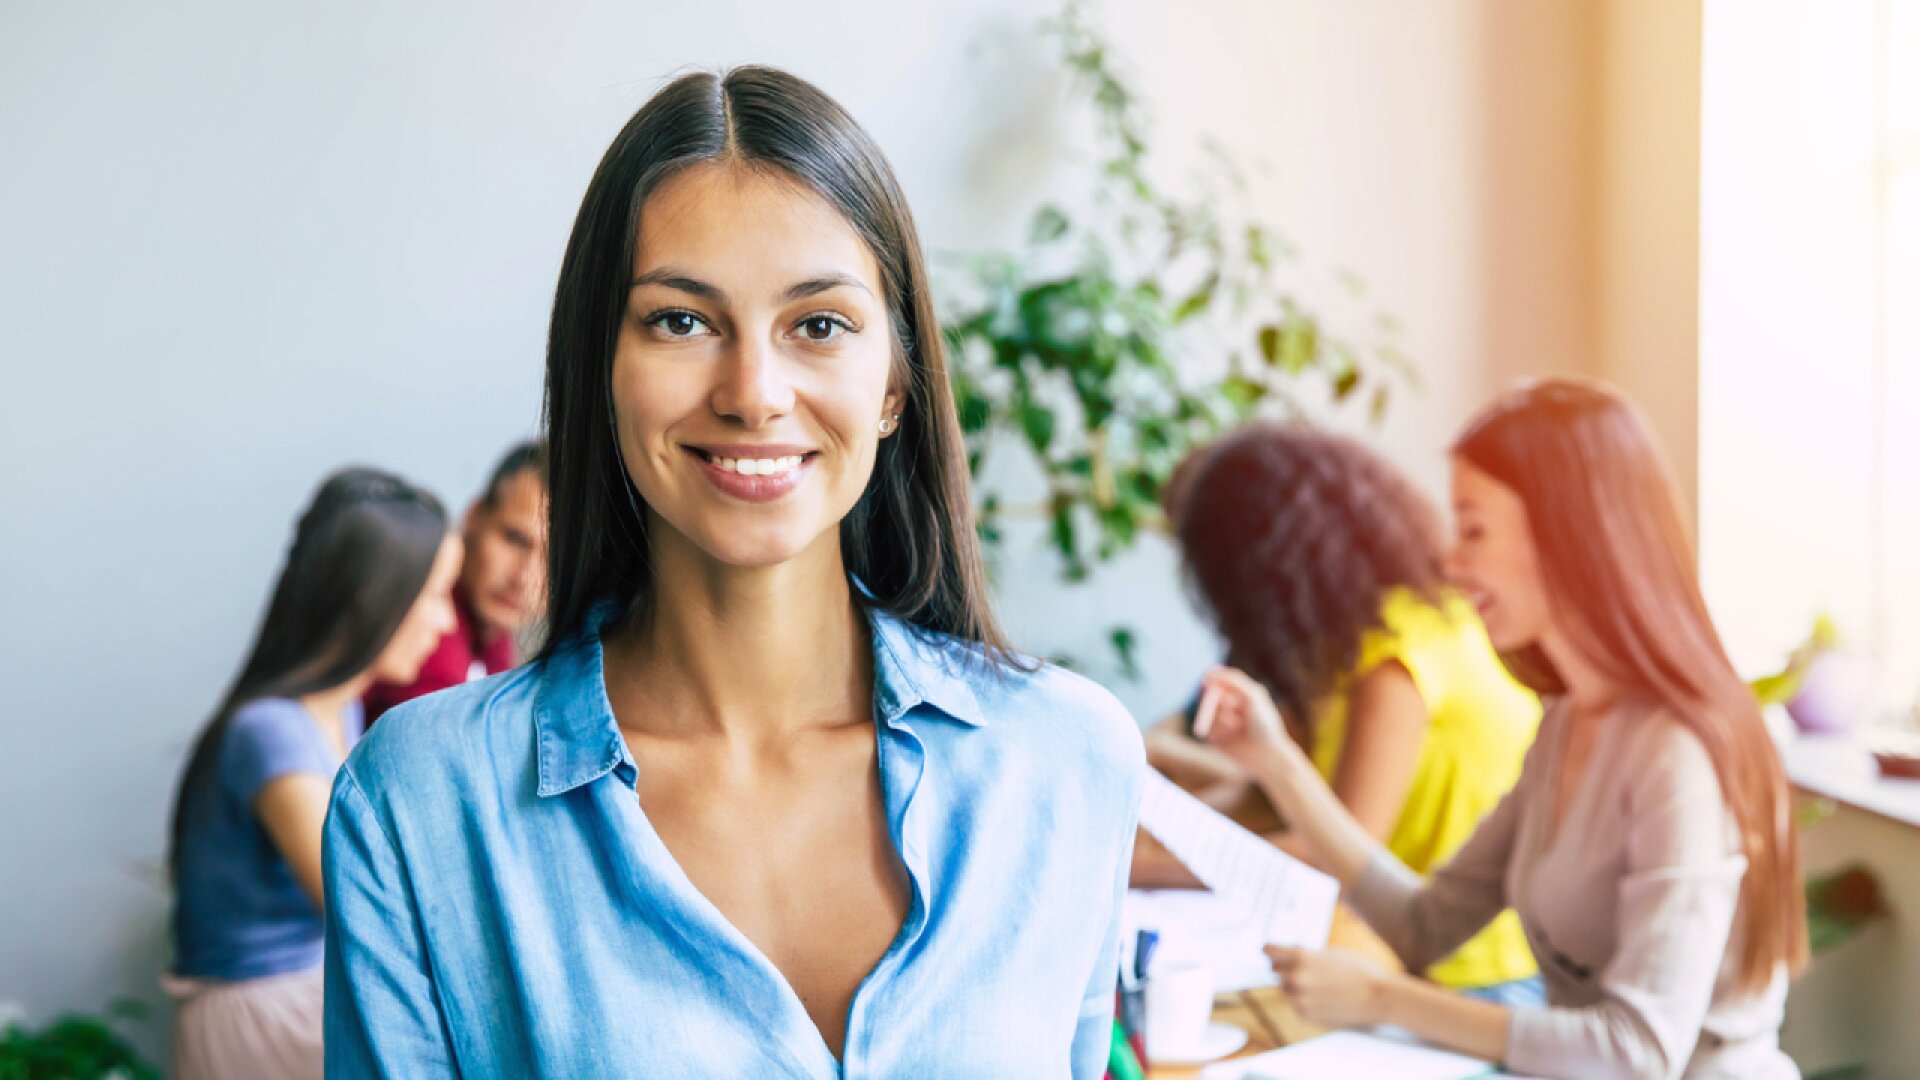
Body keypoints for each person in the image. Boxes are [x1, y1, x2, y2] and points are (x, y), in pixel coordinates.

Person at [322, 67, 1144, 1079]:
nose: (754, 393)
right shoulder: (420, 801)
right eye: (681, 320)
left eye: (820, 324)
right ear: (600, 370)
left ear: (893, 384)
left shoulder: (1068, 761)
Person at [1195, 380, 1807, 1078]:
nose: (1452, 563)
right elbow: (1425, 926)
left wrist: (1383, 998)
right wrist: (1278, 766)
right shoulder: (1567, 722)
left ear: (1569, 536)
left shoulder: (1679, 753)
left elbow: (1637, 1053)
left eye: (1475, 529)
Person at [1137, 424, 1543, 1003]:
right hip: (1390, 952)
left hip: (1471, 981)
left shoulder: (1399, 661)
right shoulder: (1351, 651)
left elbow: (1327, 854)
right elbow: (1279, 799)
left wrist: (1135, 869)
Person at [164, 468, 460, 1080]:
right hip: (260, 1012)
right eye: (433, 596)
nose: (445, 625)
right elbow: (358, 901)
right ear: (373, 599)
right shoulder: (271, 731)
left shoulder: (342, 711)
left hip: (299, 993)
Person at [363, 439, 547, 723]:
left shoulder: (493, 636)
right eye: (515, 539)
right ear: (474, 515)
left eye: (554, 560)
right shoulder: (428, 638)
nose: (525, 578)